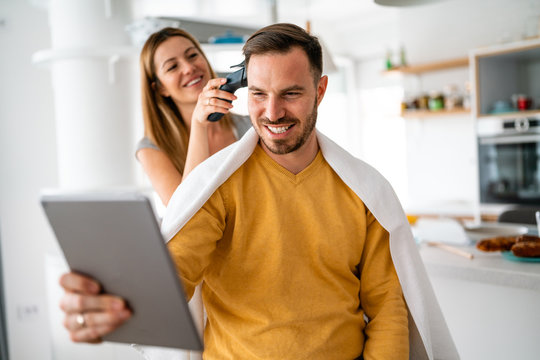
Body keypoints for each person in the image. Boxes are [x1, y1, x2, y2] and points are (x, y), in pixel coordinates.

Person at [59, 23, 458, 359]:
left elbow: (387, 307)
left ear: (319, 92)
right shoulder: (218, 186)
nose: (271, 112)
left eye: (291, 93)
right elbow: (173, 273)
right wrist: (117, 306)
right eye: (259, 94)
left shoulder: (365, 191)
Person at [136, 27, 251, 205]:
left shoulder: (249, 128)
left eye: (192, 56)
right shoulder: (151, 149)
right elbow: (185, 213)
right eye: (172, 67)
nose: (189, 68)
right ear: (160, 88)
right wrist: (199, 125)